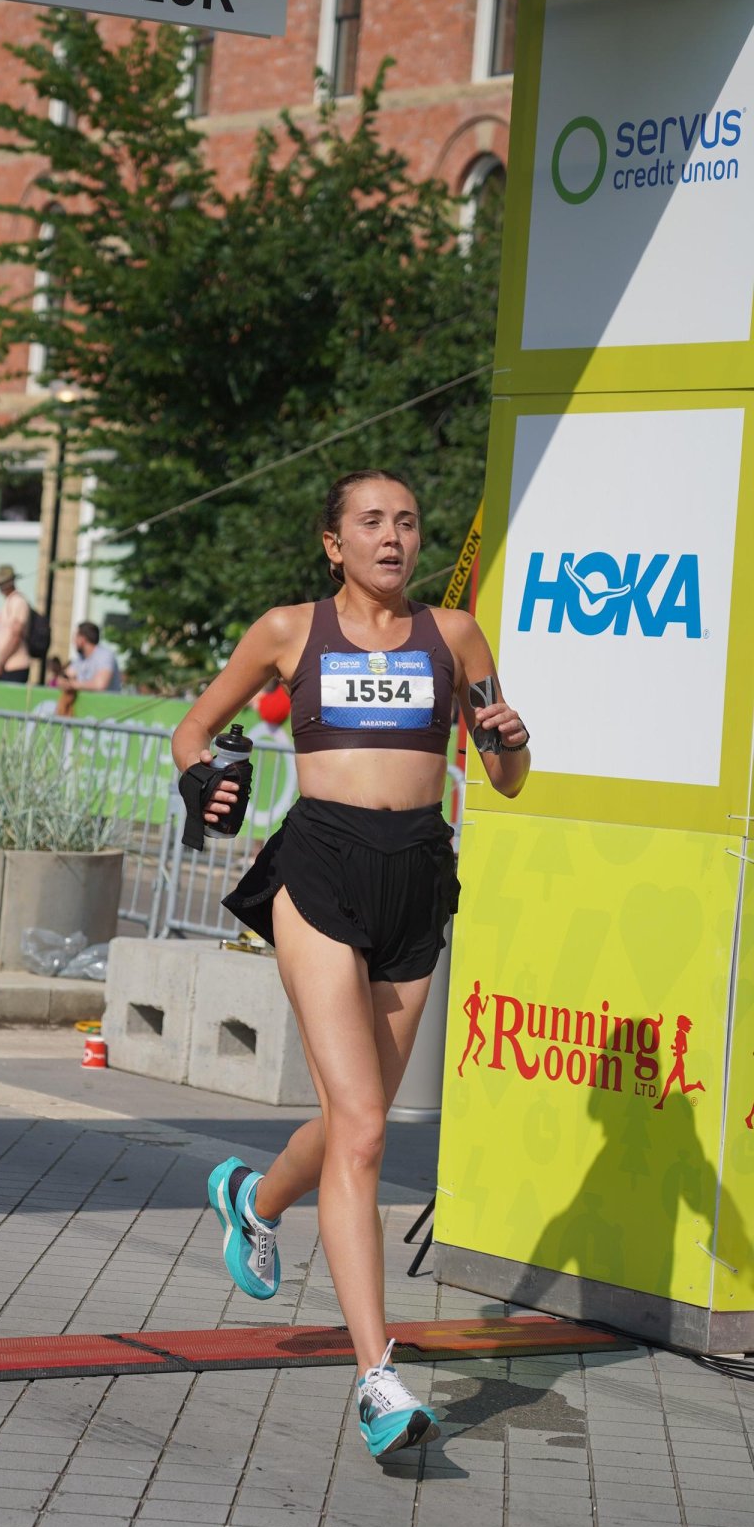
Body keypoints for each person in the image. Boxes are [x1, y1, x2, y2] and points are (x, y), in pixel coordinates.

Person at [172, 468, 530, 1462]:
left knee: (347, 1117)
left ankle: (256, 1199)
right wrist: (208, 779)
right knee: (367, 1126)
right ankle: (378, 1377)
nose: (393, 537)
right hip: (320, 870)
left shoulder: (456, 636)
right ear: (333, 543)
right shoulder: (288, 630)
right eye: (371, 522)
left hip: (417, 877)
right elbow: (195, 729)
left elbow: (504, 771)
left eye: (407, 522)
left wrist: (508, 740)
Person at [0, 565, 32, 683]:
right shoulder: (9, 601)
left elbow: (16, 636)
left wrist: (1, 661)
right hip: (7, 665)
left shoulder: (19, 602)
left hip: (15, 666)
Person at [55, 621, 123, 693]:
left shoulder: (105, 656)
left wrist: (74, 685)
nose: (73, 641)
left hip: (107, 703)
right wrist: (64, 680)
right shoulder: (81, 659)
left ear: (83, 639)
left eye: (76, 636)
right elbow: (66, 676)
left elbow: (100, 685)